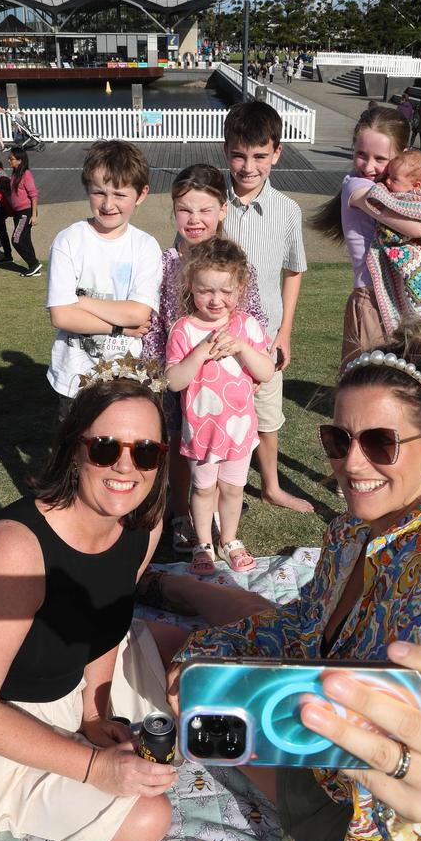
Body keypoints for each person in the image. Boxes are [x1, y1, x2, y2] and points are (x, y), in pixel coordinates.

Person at [161, 321, 421, 841]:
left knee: (165, 649)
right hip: (332, 761)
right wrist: (205, 652)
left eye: (380, 442)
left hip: (382, 839)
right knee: (186, 656)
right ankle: (173, 590)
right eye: (338, 440)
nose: (351, 463)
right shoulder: (353, 528)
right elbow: (304, 623)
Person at [0, 369, 187, 841]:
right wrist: (95, 767)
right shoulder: (12, 551)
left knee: (196, 662)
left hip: (72, 675)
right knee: (148, 819)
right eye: (105, 447)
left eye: (145, 451)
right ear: (73, 449)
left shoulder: (143, 521)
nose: (126, 468)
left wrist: (93, 712)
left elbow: (109, 620)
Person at [142, 164, 266, 555]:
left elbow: (255, 316)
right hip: (180, 373)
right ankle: (183, 516)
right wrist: (161, 374)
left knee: (223, 459)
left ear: (222, 210)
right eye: (184, 210)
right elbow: (156, 323)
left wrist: (254, 362)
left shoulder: (237, 262)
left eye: (204, 210)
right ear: (173, 210)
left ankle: (218, 525)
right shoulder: (165, 263)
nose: (194, 220)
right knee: (182, 445)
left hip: (230, 383)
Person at [309, 107, 421, 368]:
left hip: (402, 297)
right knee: (368, 382)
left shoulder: (393, 189)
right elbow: (419, 229)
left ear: (403, 155)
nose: (369, 166)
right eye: (361, 155)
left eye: (380, 159)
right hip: (371, 300)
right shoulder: (359, 187)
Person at [222, 101, 312, 514]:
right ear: (226, 150)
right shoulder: (211, 201)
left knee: (267, 417)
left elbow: (293, 271)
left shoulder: (288, 211)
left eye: (260, 155)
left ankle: (271, 485)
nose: (248, 166)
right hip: (215, 333)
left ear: (277, 153)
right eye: (239, 154)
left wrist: (286, 333)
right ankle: (221, 490)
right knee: (219, 412)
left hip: (265, 338)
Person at [165, 237, 274, 575]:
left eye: (225, 291)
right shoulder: (183, 330)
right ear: (190, 287)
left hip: (239, 431)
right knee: (202, 489)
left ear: (240, 287)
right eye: (205, 291)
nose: (215, 300)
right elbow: (173, 381)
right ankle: (202, 544)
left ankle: (229, 539)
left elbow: (267, 372)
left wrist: (241, 347)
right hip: (201, 433)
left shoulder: (248, 327)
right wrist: (199, 352)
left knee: (233, 488)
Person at [46, 140, 162, 420]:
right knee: (73, 458)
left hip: (127, 378)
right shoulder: (69, 240)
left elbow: (138, 313)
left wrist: (81, 301)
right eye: (99, 192)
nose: (108, 204)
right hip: (73, 380)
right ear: (88, 189)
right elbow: (61, 316)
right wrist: (121, 329)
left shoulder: (145, 246)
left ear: (141, 194)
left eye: (120, 195)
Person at [356, 150, 421, 334]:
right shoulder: (376, 190)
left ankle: (419, 317)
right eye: (388, 176)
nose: (387, 182)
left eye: (394, 179)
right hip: (402, 249)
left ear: (416, 185)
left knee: (417, 279)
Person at [6, 146, 41, 277]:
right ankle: (34, 267)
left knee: (16, 239)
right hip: (18, 213)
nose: (9, 161)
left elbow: (33, 195)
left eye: (11, 159)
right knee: (25, 240)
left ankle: (34, 264)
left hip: (25, 213)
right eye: (8, 158)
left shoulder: (26, 174)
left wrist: (34, 215)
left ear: (20, 160)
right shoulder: (15, 173)